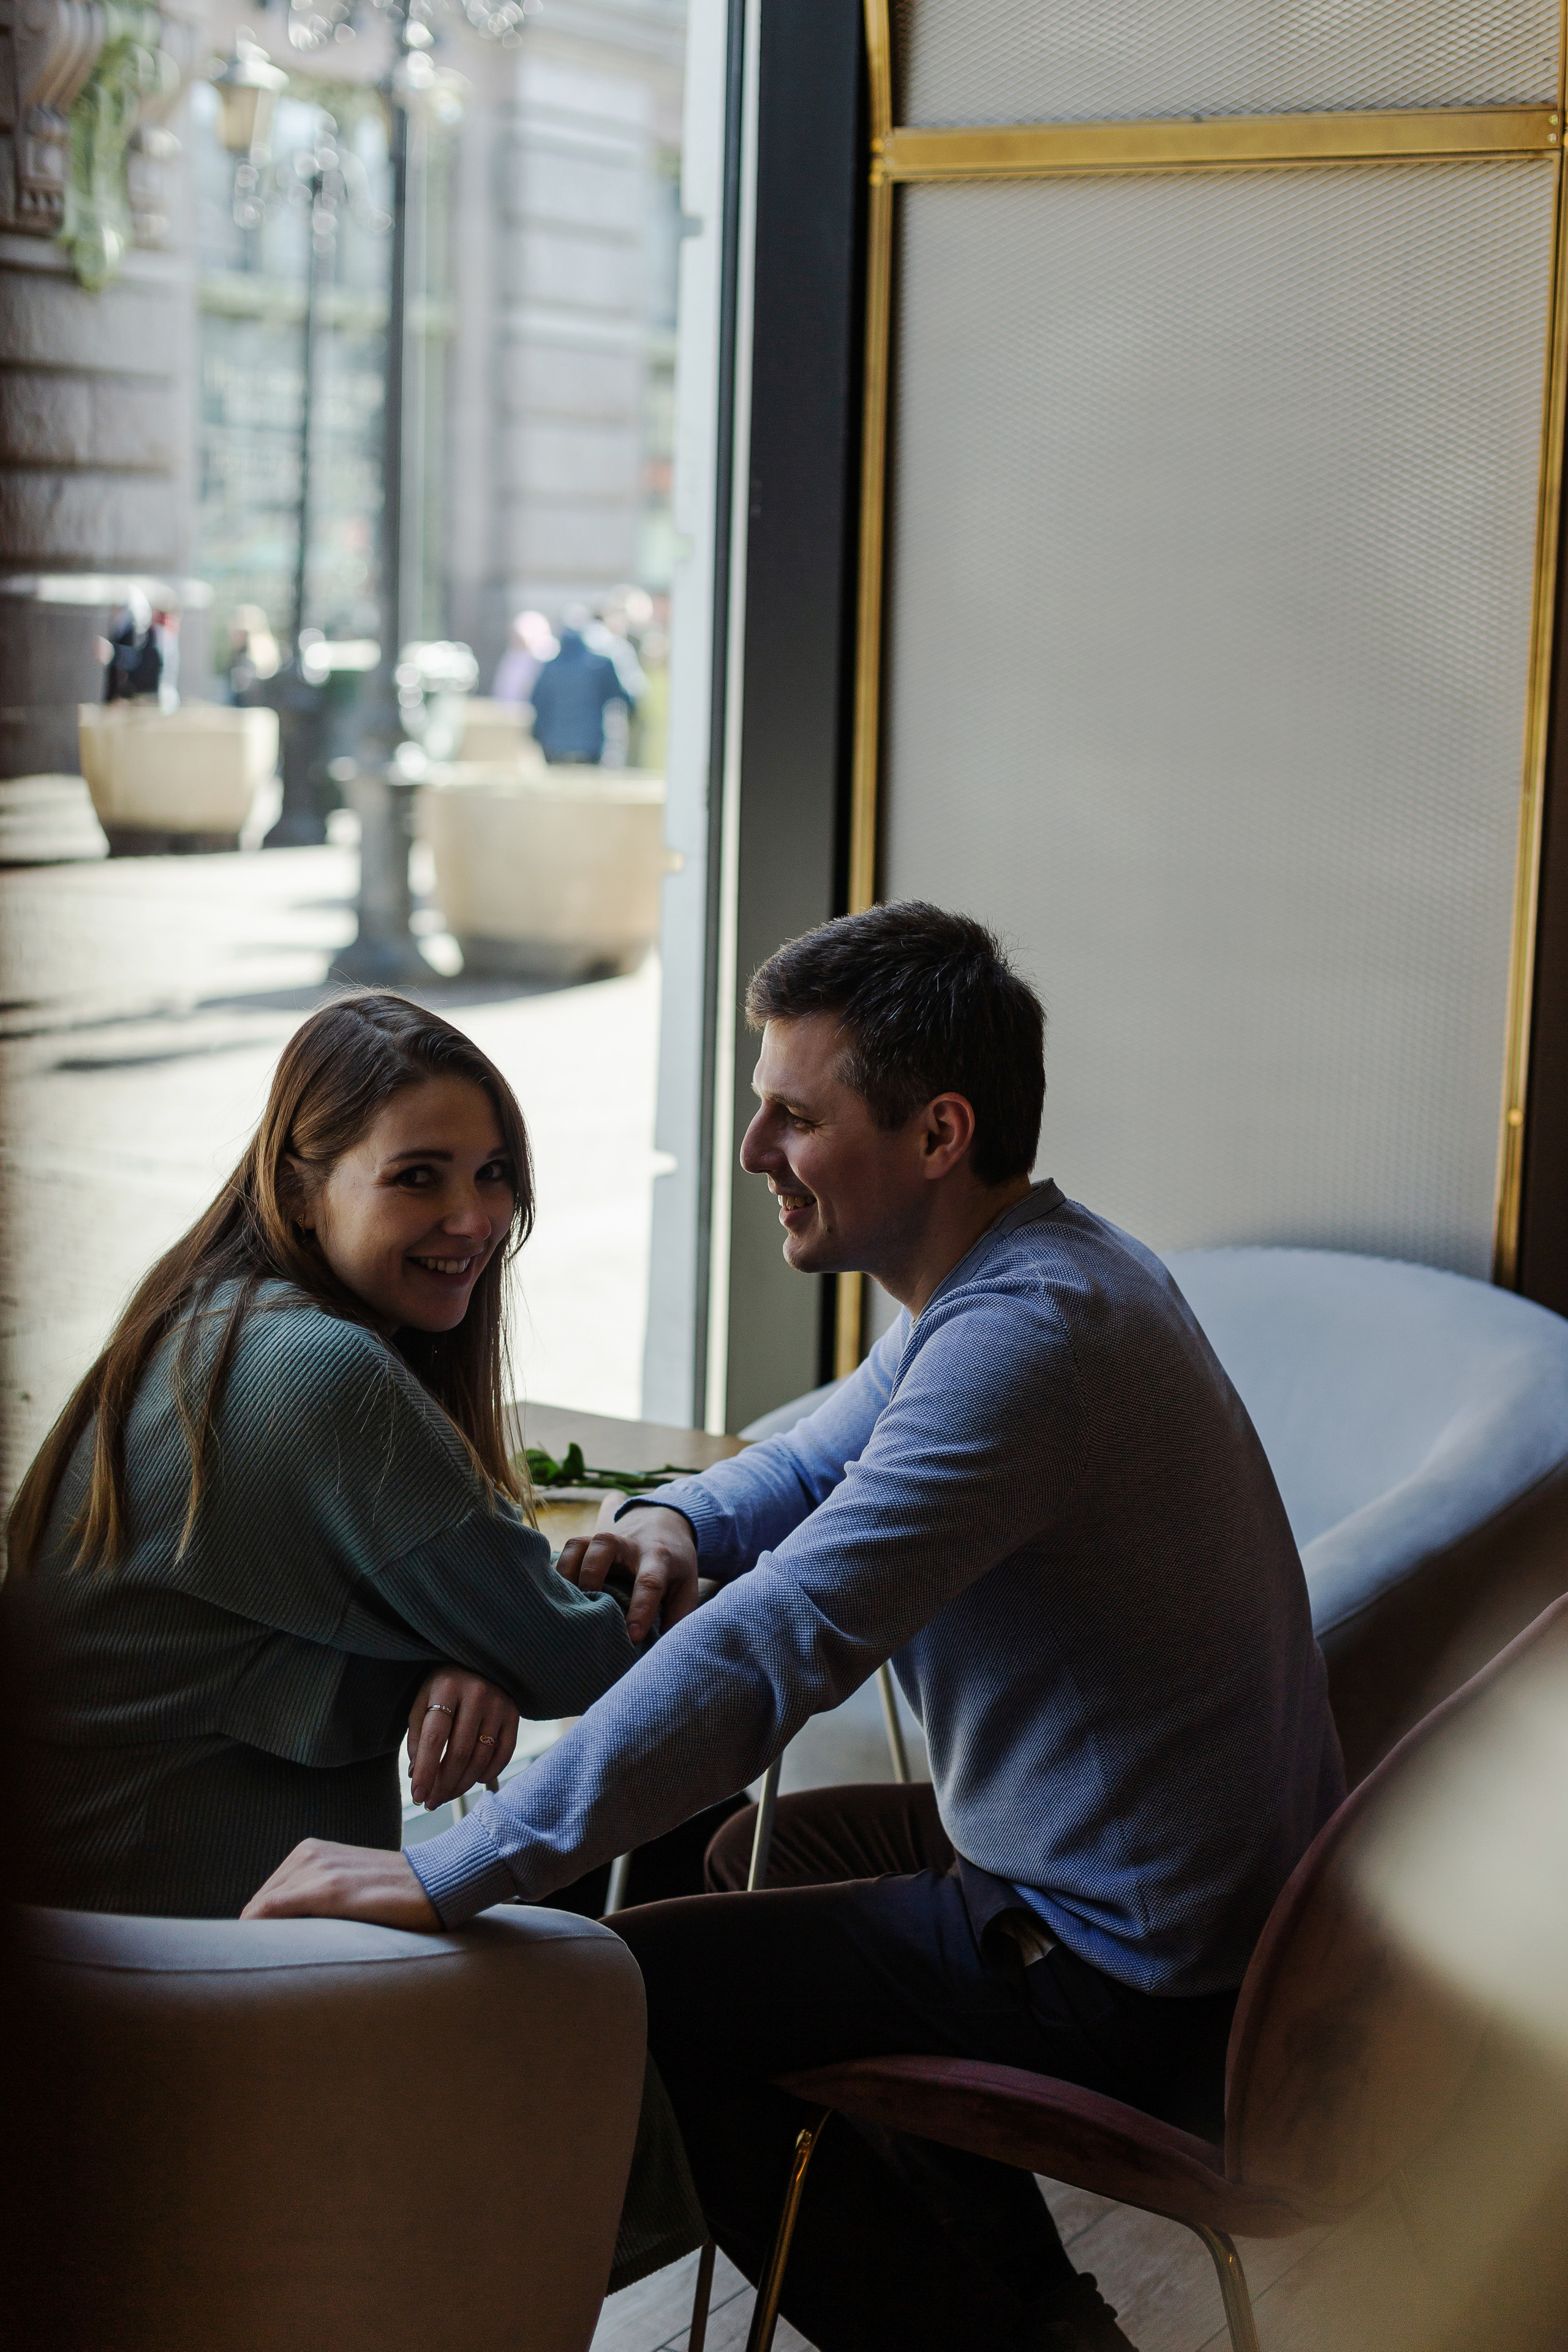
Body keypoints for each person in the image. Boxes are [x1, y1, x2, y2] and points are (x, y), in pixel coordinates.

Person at [244, 906, 1345, 2352]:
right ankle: (1037, 2304)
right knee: (738, 1860)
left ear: (937, 1130)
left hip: (1136, 1976)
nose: (752, 1147)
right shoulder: (1038, 1273)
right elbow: (818, 1451)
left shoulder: (1026, 1344)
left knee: (653, 1993)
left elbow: (777, 1642)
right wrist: (676, 1524)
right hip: (1198, 1895)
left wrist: (457, 1868)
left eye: (791, 1114)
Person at [4, 989, 706, 2294]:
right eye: (419, 1178)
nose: (474, 1218)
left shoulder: (203, 1325)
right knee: (605, 1979)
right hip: (175, 1953)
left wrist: (460, 1645)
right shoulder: (325, 1382)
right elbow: (598, 1662)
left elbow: (449, 1596)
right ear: (301, 1179)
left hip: (93, 1922)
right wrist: (550, 1613)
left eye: (493, 1175)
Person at [529, 609, 633, 764]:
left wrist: (538, 736)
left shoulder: (550, 668)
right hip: (590, 746)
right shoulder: (599, 665)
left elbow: (536, 702)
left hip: (555, 746)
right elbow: (623, 698)